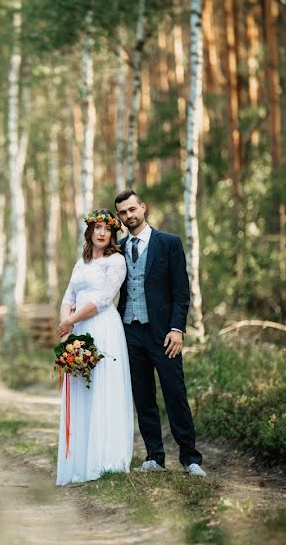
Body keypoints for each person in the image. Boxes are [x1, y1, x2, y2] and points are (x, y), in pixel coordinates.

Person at [114, 190, 206, 477]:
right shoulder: (116, 249)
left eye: (132, 209)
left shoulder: (168, 243)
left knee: (175, 393)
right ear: (119, 217)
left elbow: (181, 292)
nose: (129, 216)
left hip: (165, 335)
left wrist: (177, 329)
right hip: (130, 332)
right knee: (143, 397)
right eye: (123, 213)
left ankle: (191, 459)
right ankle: (154, 456)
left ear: (143, 207)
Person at [55, 209, 134, 486]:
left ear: (113, 234)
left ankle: (104, 460)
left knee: (103, 388)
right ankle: (79, 462)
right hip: (78, 330)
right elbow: (69, 295)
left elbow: (102, 299)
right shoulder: (82, 262)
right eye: (97, 228)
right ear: (89, 231)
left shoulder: (116, 261)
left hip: (103, 329)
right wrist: (66, 325)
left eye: (107, 229)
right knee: (80, 390)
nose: (102, 233)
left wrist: (71, 320)